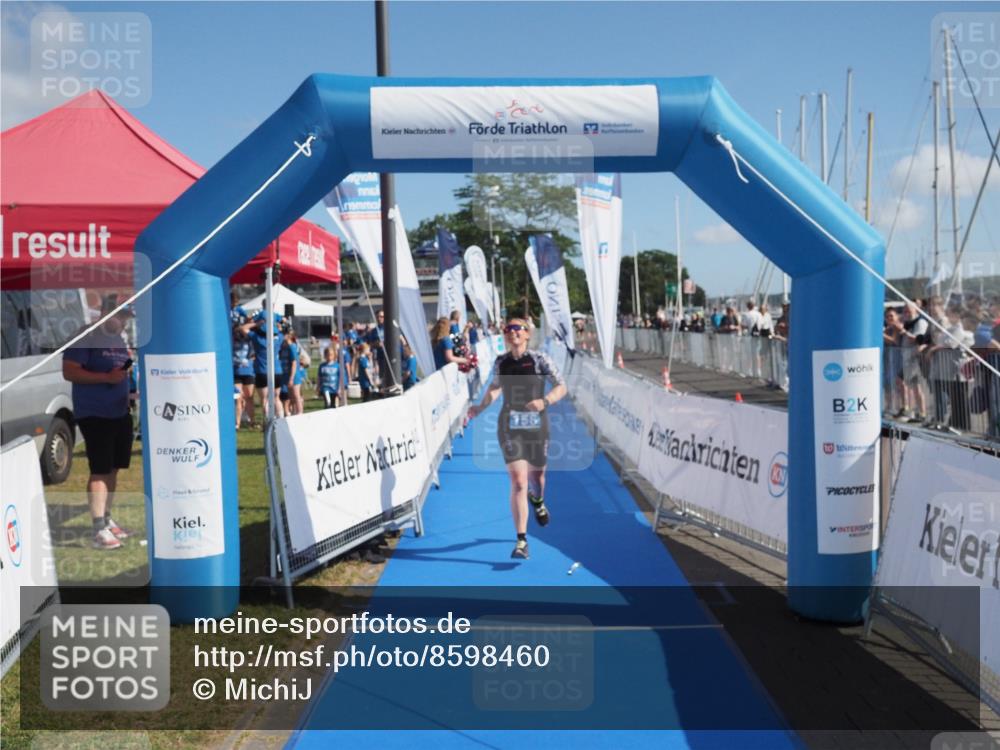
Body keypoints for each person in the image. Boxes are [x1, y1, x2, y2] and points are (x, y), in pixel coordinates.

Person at [466, 318, 567, 560]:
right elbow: (495, 387)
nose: (512, 333)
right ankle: (521, 541)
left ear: (527, 334)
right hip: (509, 425)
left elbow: (561, 386)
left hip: (537, 425)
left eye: (517, 329)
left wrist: (545, 401)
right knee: (519, 481)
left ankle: (538, 500)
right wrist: (480, 407)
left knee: (537, 477)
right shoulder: (502, 362)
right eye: (508, 329)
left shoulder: (540, 359)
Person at [62, 301, 134, 550]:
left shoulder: (119, 340)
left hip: (119, 412)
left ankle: (107, 518)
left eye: (126, 318)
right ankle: (98, 529)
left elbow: (118, 372)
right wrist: (106, 377)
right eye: (120, 316)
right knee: (100, 469)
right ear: (105, 313)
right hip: (95, 414)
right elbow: (69, 371)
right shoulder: (86, 336)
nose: (123, 322)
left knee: (114, 468)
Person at [247, 307, 284, 419]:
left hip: (262, 372)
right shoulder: (279, 337)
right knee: (276, 398)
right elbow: (281, 330)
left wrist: (256, 324)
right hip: (277, 371)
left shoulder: (257, 338)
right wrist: (277, 326)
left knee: (264, 399)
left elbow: (242, 329)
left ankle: (268, 422)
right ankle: (281, 419)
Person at [232, 317, 255, 428]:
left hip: (248, 372)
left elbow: (253, 355)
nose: (238, 332)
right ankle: (237, 423)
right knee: (238, 398)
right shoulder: (231, 340)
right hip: (236, 372)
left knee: (249, 397)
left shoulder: (250, 340)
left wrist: (248, 360)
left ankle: (252, 421)